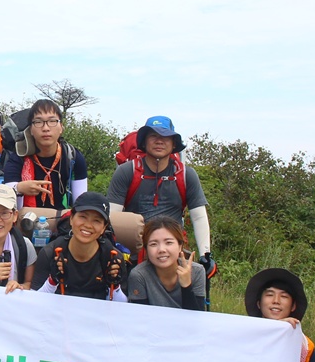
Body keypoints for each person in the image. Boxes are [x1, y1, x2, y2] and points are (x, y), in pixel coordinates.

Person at [107, 115, 212, 267]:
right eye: (153, 136)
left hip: (172, 251)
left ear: (174, 143)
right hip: (134, 252)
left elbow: (199, 217)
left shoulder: (186, 175)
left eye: (166, 137)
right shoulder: (126, 172)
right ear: (144, 141)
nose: (159, 141)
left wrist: (206, 255)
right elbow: (112, 216)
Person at [30, 192, 128, 299]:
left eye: (96, 221)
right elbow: (35, 300)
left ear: (104, 228)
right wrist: (53, 280)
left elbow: (123, 307)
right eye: (83, 217)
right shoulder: (50, 253)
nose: (88, 225)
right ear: (71, 219)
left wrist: (114, 285)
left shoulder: (112, 257)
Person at [3, 99, 88, 212]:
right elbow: (6, 197)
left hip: (59, 219)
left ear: (61, 127)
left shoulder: (72, 156)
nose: (46, 128)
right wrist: (19, 188)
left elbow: (81, 201)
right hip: (25, 219)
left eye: (52, 121)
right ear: (31, 130)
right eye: (38, 122)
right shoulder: (19, 156)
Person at [125, 216, 206, 310]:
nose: (161, 250)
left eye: (168, 243)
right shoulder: (139, 275)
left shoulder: (197, 271)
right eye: (153, 244)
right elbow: (140, 317)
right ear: (146, 249)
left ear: (180, 246)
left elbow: (197, 318)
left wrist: (186, 286)